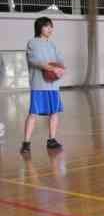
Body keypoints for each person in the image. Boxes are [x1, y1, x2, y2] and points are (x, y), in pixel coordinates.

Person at [20, 17, 65, 154]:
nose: (50, 29)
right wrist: (52, 69)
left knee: (54, 113)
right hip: (39, 85)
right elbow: (35, 61)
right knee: (33, 113)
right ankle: (26, 143)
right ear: (39, 28)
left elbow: (60, 59)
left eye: (51, 26)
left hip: (53, 86)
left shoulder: (52, 45)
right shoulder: (32, 43)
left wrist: (61, 69)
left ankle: (51, 140)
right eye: (46, 26)